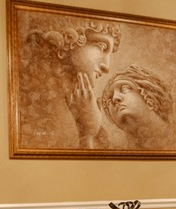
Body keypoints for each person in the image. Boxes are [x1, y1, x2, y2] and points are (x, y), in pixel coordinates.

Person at [17, 16, 121, 150]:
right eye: (101, 46)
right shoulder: (26, 102)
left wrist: (88, 133)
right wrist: (87, 134)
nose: (107, 67)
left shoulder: (84, 109)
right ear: (69, 39)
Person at [100, 64, 176, 150]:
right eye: (109, 101)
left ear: (150, 98)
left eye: (125, 89)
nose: (115, 98)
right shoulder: (118, 149)